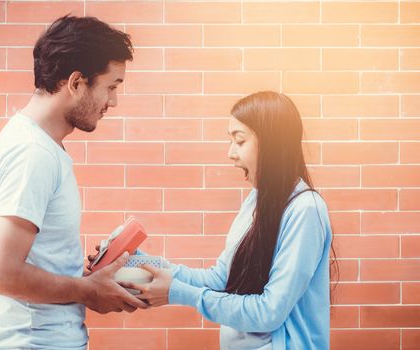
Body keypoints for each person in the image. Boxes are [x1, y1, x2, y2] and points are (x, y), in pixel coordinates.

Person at [0, 15, 148, 349]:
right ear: (76, 82)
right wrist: (89, 291)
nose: (112, 102)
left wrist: (92, 277)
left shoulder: (40, 146)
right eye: (111, 86)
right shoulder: (32, 154)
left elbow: (31, 263)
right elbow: (1, 274)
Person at [125, 91, 336, 350]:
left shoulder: (305, 210)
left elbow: (269, 312)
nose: (230, 153)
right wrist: (141, 264)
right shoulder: (257, 200)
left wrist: (178, 292)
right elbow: (221, 279)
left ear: (272, 143)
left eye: (240, 141)